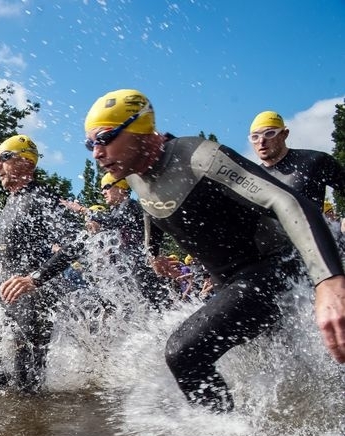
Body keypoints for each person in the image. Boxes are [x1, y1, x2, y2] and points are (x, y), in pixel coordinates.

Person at [84, 88, 345, 412]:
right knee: (301, 365)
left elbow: (286, 200)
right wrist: (153, 255)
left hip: (274, 268)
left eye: (105, 138)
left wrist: (328, 280)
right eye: (90, 144)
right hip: (233, 282)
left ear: (140, 129)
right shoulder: (135, 175)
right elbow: (152, 208)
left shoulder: (199, 157)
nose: (96, 153)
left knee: (184, 352)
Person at [0, 134, 82, 392]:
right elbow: (8, 251)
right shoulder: (13, 200)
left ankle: (40, 418)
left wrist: (35, 278)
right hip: (7, 299)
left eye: (4, 157)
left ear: (26, 162)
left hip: (34, 300)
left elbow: (77, 242)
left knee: (27, 386)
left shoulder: (40, 197)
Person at [86, 173, 173, 308]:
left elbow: (115, 222)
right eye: (102, 189)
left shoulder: (129, 204)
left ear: (121, 188)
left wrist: (84, 210)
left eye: (107, 187)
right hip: (129, 264)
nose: (103, 192)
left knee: (156, 302)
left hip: (141, 263)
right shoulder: (115, 210)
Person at [249, 110, 345, 211]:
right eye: (255, 137)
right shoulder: (252, 177)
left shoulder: (314, 161)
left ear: (284, 134)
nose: (261, 141)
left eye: (269, 134)